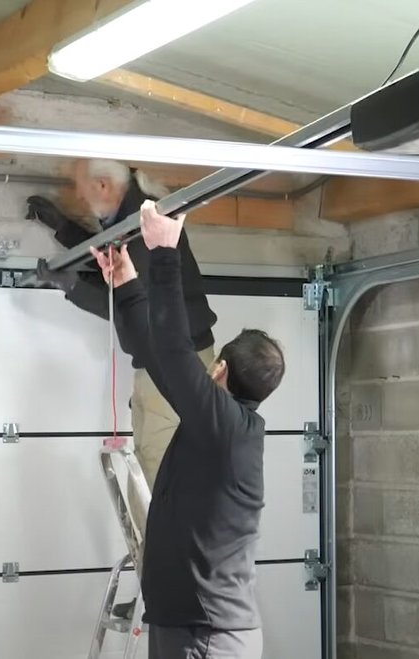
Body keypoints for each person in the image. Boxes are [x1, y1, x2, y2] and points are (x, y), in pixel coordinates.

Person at [89, 200, 286, 659]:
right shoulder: (218, 426)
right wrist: (127, 284)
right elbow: (158, 358)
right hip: (190, 628)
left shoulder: (230, 429)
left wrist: (164, 252)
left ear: (217, 370)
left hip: (208, 637)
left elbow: (176, 354)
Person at [26, 159, 219, 488]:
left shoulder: (142, 229)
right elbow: (113, 260)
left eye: (83, 191)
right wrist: (63, 228)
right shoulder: (132, 214)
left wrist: (72, 286)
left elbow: (126, 301)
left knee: (156, 460)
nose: (82, 199)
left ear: (103, 186)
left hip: (175, 358)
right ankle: (159, 534)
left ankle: (162, 538)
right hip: (164, 357)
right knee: (149, 455)